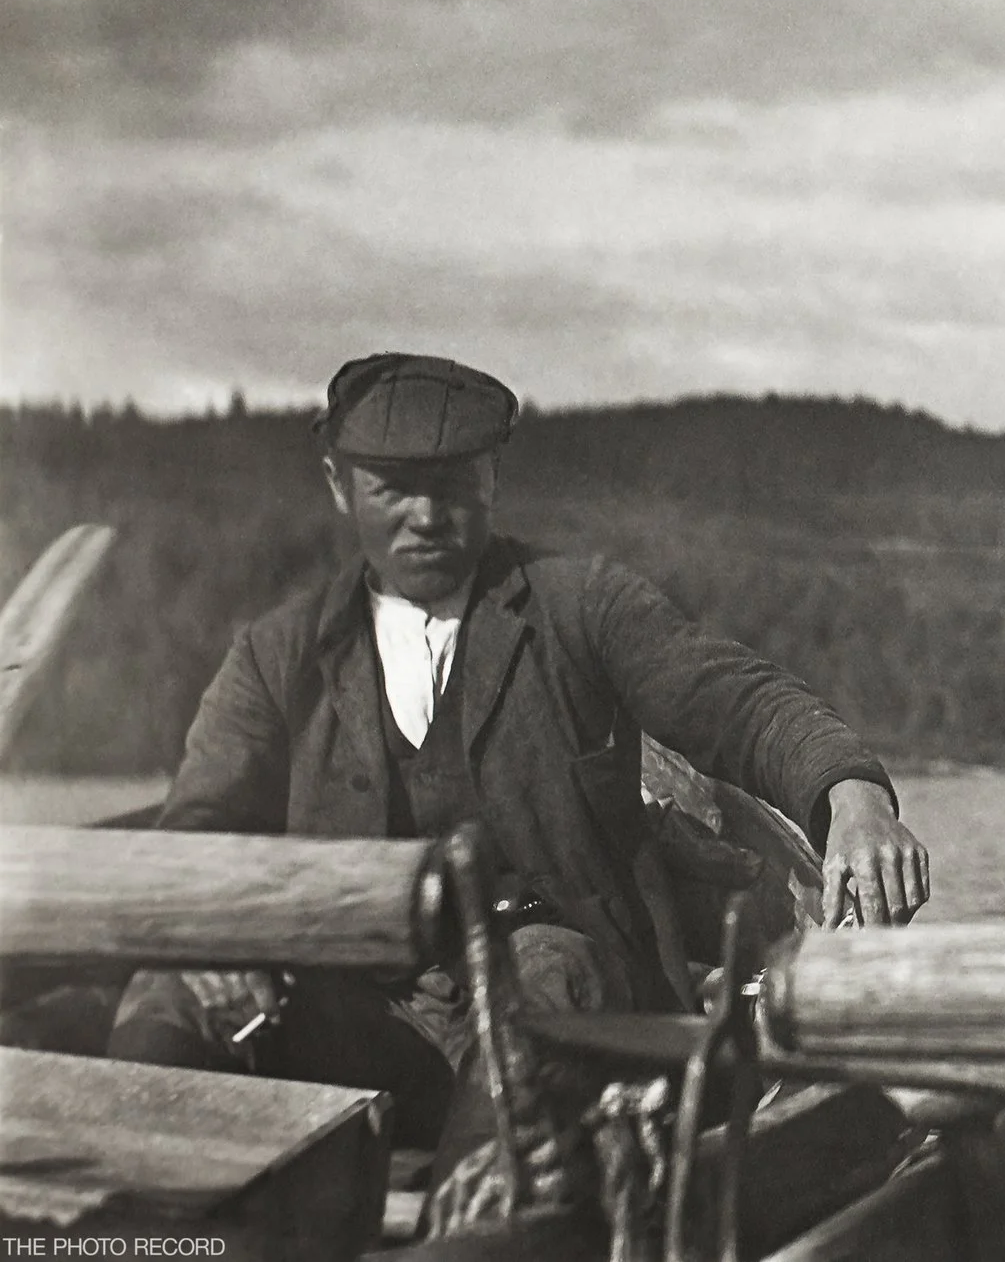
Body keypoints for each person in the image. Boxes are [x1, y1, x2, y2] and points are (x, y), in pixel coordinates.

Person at [107, 352, 931, 1167]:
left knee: (550, 974)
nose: (426, 515)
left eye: (452, 484)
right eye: (393, 487)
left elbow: (740, 704)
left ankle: (478, 1213)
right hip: (359, 1011)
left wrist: (853, 798)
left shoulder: (582, 606)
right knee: (170, 993)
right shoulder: (276, 655)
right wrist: (210, 939)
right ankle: (146, 1210)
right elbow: (199, 827)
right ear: (339, 485)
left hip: (560, 993)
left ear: (491, 479)